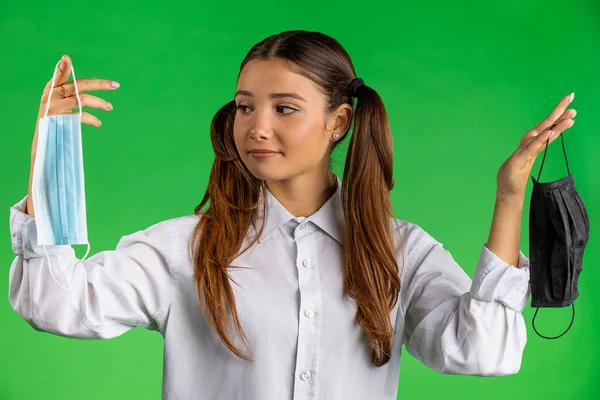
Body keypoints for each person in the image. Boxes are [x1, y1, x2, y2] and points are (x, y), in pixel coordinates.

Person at [8, 30, 577, 400]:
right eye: (245, 106)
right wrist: (48, 154)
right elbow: (56, 303)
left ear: (339, 122)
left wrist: (509, 196)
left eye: (285, 108)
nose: (257, 126)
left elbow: (483, 352)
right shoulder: (187, 249)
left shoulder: (399, 252)